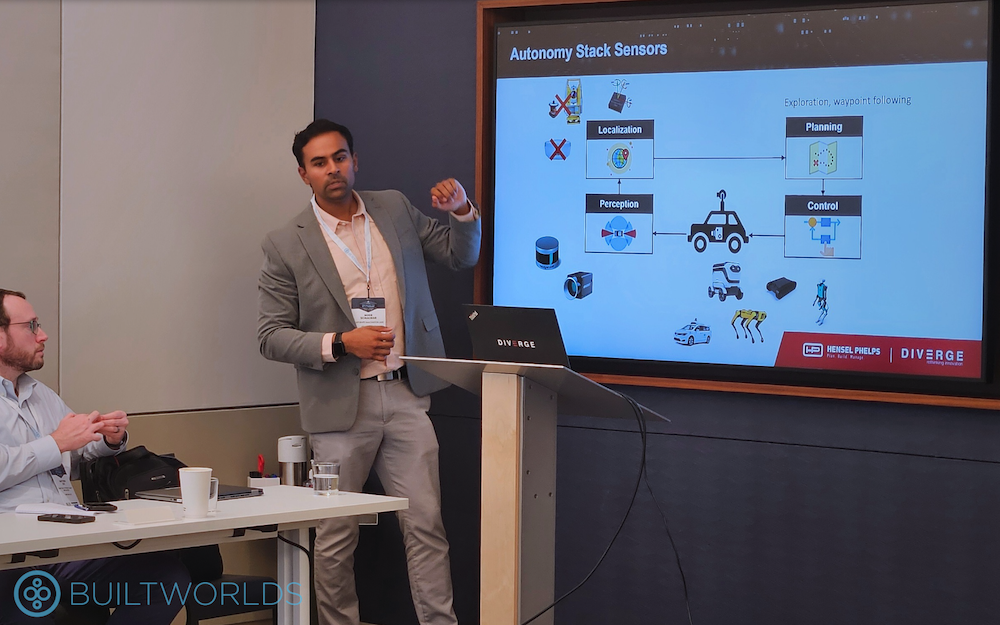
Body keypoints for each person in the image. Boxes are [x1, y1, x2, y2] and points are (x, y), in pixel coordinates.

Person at [258, 119, 480, 625]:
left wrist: (462, 211)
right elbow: (270, 336)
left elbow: (459, 253)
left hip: (406, 395)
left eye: (339, 157)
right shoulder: (284, 244)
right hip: (340, 408)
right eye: (319, 163)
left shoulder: (395, 208)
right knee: (336, 536)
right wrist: (340, 343)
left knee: (426, 526)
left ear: (355, 161)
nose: (332, 169)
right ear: (303, 174)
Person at [0, 289, 190, 624]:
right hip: (12, 556)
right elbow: (46, 451)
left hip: (68, 544)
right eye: (30, 326)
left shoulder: (40, 394)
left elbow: (72, 457)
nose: (42, 335)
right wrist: (55, 443)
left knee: (167, 577)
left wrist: (106, 440)